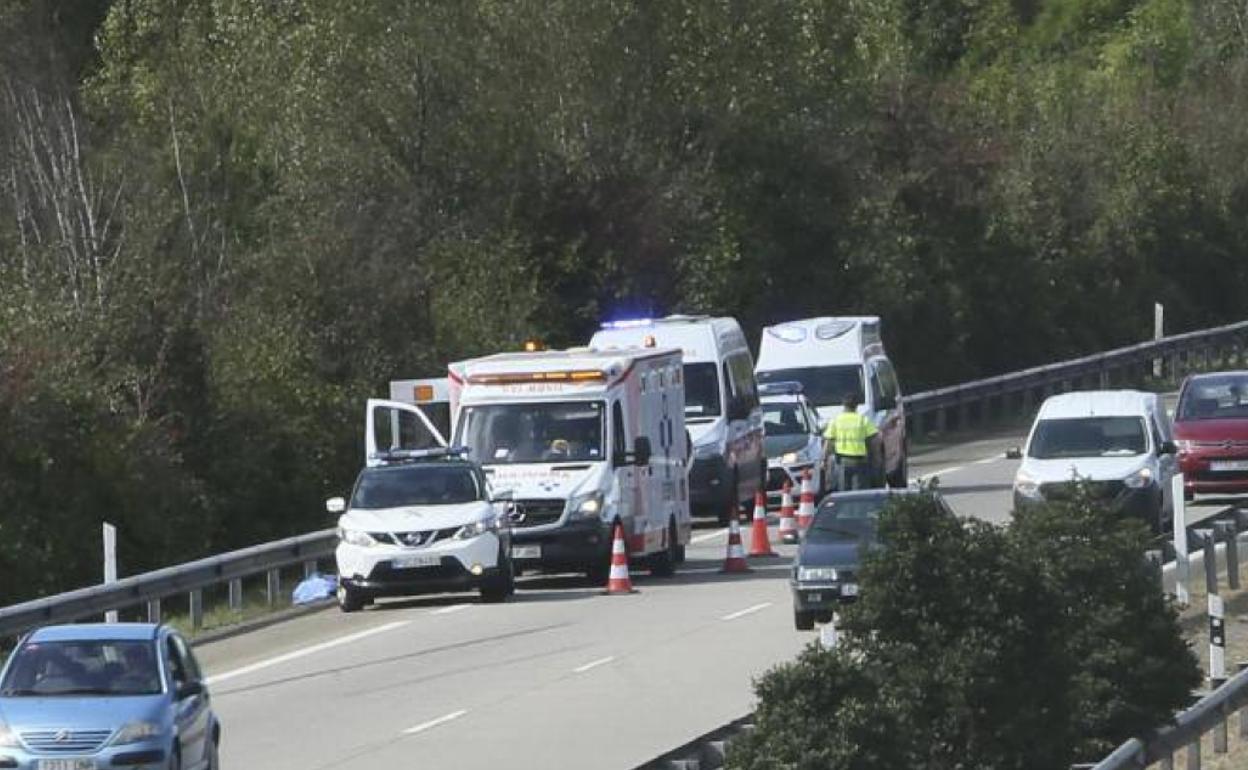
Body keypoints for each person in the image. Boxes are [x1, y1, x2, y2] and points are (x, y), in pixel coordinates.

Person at [823, 392, 880, 490]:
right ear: (856, 406)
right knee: (860, 491)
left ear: (843, 405)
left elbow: (828, 442)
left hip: (842, 461)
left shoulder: (836, 420)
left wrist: (824, 459)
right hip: (860, 461)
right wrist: (876, 458)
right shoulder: (863, 420)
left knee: (843, 491)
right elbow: (874, 441)